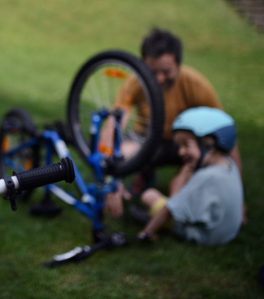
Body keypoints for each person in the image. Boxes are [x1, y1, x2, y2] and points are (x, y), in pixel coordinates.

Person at [104, 28, 243, 218]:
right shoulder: (136, 83)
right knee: (125, 149)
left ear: (178, 64)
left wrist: (240, 197)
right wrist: (111, 176)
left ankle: (177, 198)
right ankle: (145, 174)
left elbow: (226, 135)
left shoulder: (196, 84)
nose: (160, 79)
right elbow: (113, 125)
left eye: (166, 72)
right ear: (143, 65)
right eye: (153, 72)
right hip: (147, 140)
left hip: (184, 143)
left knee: (186, 179)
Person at [137, 107, 243, 245]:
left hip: (202, 236)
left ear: (209, 143)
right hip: (227, 234)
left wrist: (147, 232)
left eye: (186, 145)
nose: (181, 152)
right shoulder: (230, 165)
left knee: (149, 195)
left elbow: (170, 208)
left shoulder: (206, 177)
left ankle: (153, 220)